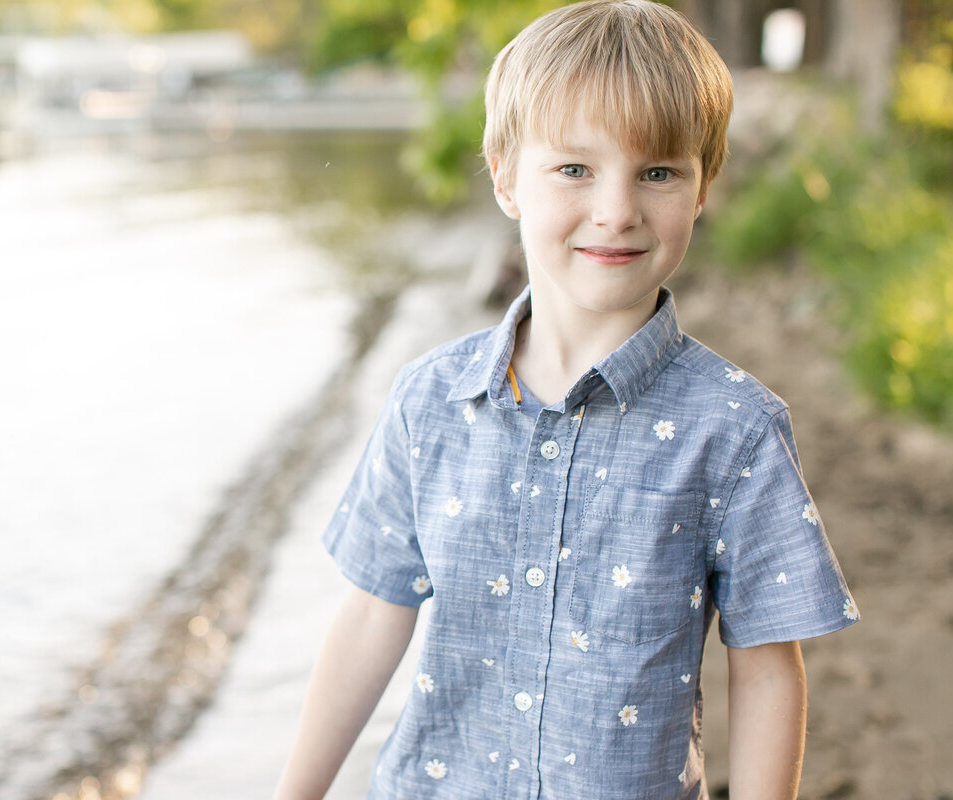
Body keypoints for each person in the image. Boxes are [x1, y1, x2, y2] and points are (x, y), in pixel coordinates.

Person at [274, 1, 859, 797]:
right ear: (507, 176)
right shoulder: (431, 402)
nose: (616, 209)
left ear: (704, 185)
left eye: (658, 172)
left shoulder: (735, 430)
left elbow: (765, 668)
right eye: (575, 169)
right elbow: (376, 613)